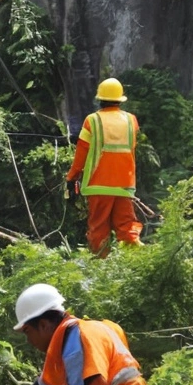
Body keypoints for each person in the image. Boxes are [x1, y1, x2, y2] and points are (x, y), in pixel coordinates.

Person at [0, 283, 158, 385]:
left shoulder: (78, 339)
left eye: (27, 332)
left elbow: (96, 381)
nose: (29, 340)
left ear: (43, 325)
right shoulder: (67, 342)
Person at [66, 78, 142, 256]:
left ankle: (101, 267)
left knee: (99, 228)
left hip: (98, 184)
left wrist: (71, 177)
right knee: (127, 227)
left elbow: (81, 154)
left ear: (100, 99)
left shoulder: (92, 120)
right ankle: (137, 262)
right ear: (120, 99)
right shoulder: (131, 120)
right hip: (124, 185)